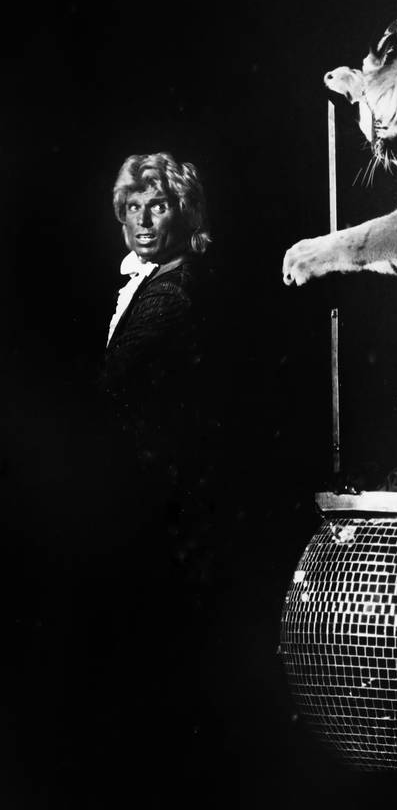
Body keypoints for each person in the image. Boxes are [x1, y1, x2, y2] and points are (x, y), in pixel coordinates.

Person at [103, 151, 218, 578]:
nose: (144, 222)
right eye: (134, 207)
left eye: (158, 206)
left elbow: (109, 389)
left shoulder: (171, 293)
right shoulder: (158, 280)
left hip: (158, 495)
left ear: (185, 214)